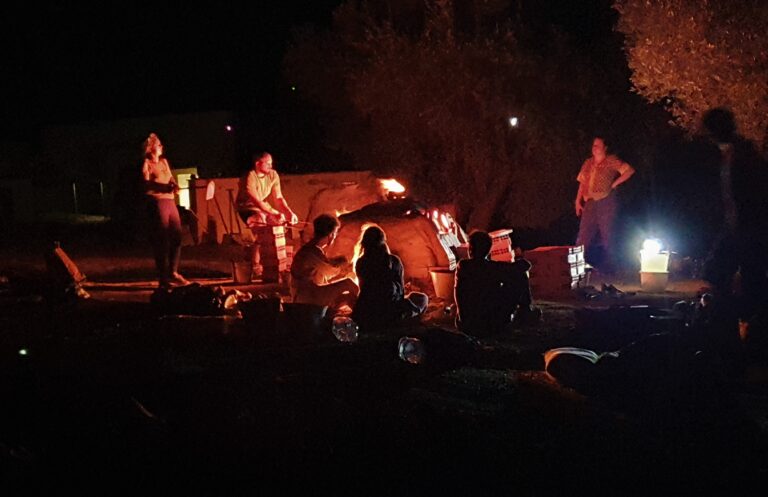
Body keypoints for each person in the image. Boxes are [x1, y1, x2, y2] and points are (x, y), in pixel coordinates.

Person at [701, 108, 768, 328]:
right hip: (736, 225)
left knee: (749, 275)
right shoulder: (728, 153)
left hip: (748, 225)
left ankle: (747, 325)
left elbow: (750, 191)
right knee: (721, 271)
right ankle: (734, 319)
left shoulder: (744, 154)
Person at [454, 231, 539, 337]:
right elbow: (525, 265)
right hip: (492, 322)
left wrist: (463, 317)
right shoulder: (493, 268)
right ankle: (525, 311)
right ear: (488, 250)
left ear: (470, 249)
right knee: (519, 276)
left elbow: (459, 293)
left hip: (467, 323)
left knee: (513, 275)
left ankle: (524, 313)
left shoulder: (464, 266)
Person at [574, 136, 635, 274]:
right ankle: (577, 265)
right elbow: (582, 182)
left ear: (604, 148)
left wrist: (614, 184)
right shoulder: (588, 163)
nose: (594, 148)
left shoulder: (611, 161)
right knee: (584, 233)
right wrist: (578, 201)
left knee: (607, 232)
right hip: (590, 200)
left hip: (605, 200)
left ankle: (612, 267)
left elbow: (629, 170)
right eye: (593, 145)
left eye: (597, 145)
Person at [352, 225, 429, 332]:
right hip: (390, 314)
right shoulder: (394, 261)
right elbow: (400, 293)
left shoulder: (361, 262)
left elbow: (363, 289)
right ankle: (410, 320)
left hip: (365, 313)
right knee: (422, 298)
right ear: (383, 241)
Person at [141, 133, 189, 288]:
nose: (162, 147)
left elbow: (171, 179)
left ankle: (173, 272)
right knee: (161, 239)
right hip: (157, 202)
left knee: (177, 236)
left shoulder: (164, 162)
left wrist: (174, 186)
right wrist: (162, 187)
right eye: (159, 144)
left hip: (170, 201)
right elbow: (146, 185)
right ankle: (163, 278)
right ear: (151, 148)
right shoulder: (147, 164)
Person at [290, 214, 359, 309]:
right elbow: (331, 271)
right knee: (348, 283)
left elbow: (323, 267)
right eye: (335, 234)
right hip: (307, 297)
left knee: (346, 298)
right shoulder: (311, 251)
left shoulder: (310, 249)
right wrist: (344, 266)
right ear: (331, 235)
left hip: (307, 294)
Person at [236, 151, 298, 227]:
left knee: (279, 222)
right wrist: (275, 213)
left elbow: (278, 198)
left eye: (271, 163)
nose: (270, 166)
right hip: (247, 208)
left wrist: (289, 213)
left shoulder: (273, 175)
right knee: (261, 219)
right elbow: (257, 201)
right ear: (258, 164)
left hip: (263, 208)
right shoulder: (250, 176)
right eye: (268, 164)